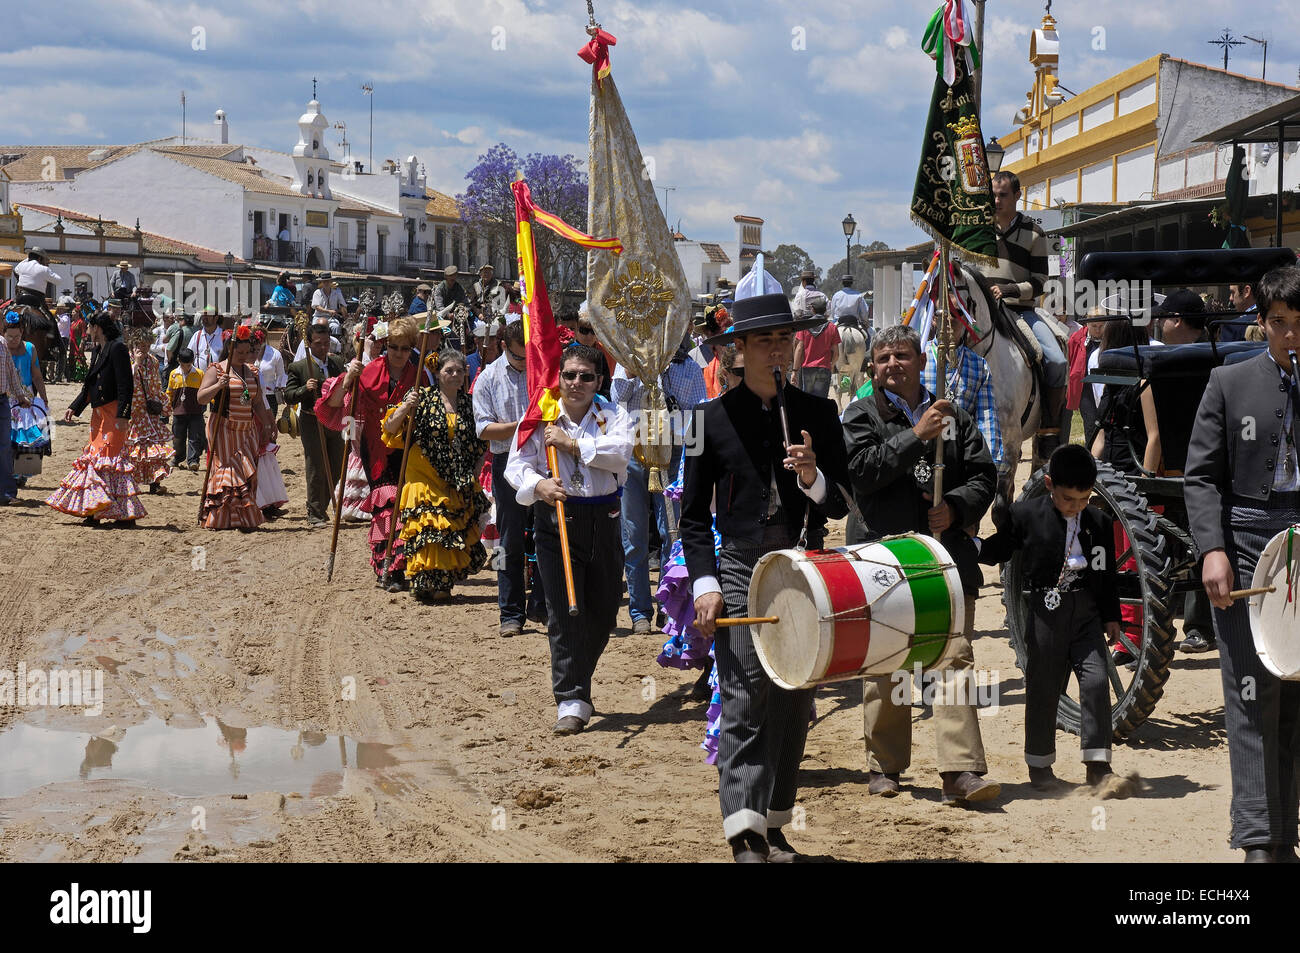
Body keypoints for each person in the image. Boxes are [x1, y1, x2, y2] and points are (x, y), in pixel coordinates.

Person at [683, 292, 850, 862]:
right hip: (738, 564)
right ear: (739, 348)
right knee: (745, 692)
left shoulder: (819, 415)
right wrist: (704, 585)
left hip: (803, 565)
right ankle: (744, 833)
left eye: (785, 338)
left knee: (795, 697)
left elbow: (838, 506)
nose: (778, 349)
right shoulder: (705, 421)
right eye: (765, 340)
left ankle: (774, 823)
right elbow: (692, 520)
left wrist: (813, 477)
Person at [842, 324, 1000, 806]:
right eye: (883, 357)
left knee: (953, 657)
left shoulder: (954, 416)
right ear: (872, 367)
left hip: (944, 559)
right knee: (888, 662)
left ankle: (960, 771)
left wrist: (954, 506)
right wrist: (916, 435)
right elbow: (862, 473)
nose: (892, 365)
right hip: (883, 559)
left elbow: (983, 475)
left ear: (920, 361)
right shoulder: (860, 414)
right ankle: (886, 765)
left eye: (902, 356)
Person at [1186, 263, 1300, 864]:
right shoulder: (1228, 382)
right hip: (1249, 542)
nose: (1291, 336)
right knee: (1252, 692)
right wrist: (1212, 550)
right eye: (1279, 324)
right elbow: (1201, 477)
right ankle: (1259, 841)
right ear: (1261, 324)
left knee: (1296, 697)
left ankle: (1286, 835)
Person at [976, 445, 1126, 791]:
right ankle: (1040, 766)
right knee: (1044, 687)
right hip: (1046, 613)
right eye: (1069, 499)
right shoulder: (1025, 515)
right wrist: (974, 547)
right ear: (1048, 484)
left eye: (1085, 499)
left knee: (1095, 680)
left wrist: (1111, 616)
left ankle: (1098, 765)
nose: (1077, 507)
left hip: (1086, 613)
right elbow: (1002, 548)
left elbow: (1105, 573)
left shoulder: (1099, 522)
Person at [505, 344, 634, 735]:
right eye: (569, 375)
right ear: (558, 378)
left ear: (599, 382)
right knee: (563, 611)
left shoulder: (613, 415)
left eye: (586, 376)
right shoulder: (539, 416)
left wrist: (574, 445)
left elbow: (621, 453)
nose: (576, 383)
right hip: (556, 520)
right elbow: (516, 466)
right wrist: (538, 484)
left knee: (605, 609)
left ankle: (578, 673)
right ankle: (572, 698)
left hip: (604, 519)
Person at [612, 337, 707, 634]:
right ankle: (639, 611)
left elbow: (699, 413)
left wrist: (695, 458)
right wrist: (632, 368)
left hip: (674, 454)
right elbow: (618, 397)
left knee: (672, 532)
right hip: (634, 453)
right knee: (635, 536)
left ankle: (668, 603)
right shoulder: (626, 359)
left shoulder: (689, 367)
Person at [381, 350, 489, 602]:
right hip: (423, 475)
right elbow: (390, 429)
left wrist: (476, 468)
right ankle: (422, 580)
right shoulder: (422, 398)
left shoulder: (470, 404)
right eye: (448, 370)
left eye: (459, 371)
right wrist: (406, 406)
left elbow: (480, 442)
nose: (454, 375)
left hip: (456, 478)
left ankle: (443, 582)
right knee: (426, 529)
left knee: (449, 532)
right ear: (437, 373)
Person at [324, 316, 422, 586]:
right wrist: (348, 379)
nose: (399, 354)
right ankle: (387, 567)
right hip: (376, 448)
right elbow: (335, 403)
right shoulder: (370, 371)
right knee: (386, 504)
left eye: (405, 348)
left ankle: (405, 562)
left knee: (405, 505)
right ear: (385, 346)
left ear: (412, 347)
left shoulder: (419, 374)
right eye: (394, 347)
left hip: (407, 449)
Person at [473, 320, 546, 636]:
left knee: (547, 533)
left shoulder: (540, 372)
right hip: (506, 461)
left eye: (527, 356)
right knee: (509, 538)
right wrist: (522, 426)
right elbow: (484, 429)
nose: (523, 362)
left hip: (543, 460)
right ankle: (510, 612)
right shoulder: (488, 378)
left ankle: (543, 604)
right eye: (518, 357)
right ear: (504, 347)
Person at [986, 171, 1064, 456]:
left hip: (1021, 312)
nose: (996, 200)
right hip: (983, 312)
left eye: (1003, 195)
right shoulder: (977, 232)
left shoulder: (1034, 233)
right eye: (993, 195)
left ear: (1018, 195)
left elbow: (1041, 281)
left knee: (1056, 359)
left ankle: (1049, 427)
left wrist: (1010, 290)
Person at [46, 311, 144, 523]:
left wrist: (123, 415)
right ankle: (95, 509)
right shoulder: (99, 349)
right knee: (96, 460)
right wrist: (75, 406)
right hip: (98, 415)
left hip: (114, 413)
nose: (87, 331)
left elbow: (126, 385)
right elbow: (90, 384)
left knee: (111, 461)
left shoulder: (117, 348)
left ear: (97, 328)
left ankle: (124, 515)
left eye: (89, 327)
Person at [195, 325, 273, 530]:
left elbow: (257, 402)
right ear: (230, 350)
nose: (244, 356)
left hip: (247, 429)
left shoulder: (253, 372)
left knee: (248, 472)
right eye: (239, 353)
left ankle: (243, 517)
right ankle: (222, 518)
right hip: (223, 428)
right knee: (230, 471)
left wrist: (266, 424)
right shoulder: (217, 369)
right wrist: (218, 385)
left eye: (247, 352)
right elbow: (201, 397)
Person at [921, 323, 1004, 476]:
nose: (949, 319)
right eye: (944, 312)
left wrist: (989, 466)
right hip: (921, 457)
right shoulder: (917, 359)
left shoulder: (980, 365)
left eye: (956, 312)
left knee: (1052, 360)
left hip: (1014, 312)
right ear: (933, 317)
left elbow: (986, 419)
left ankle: (1048, 431)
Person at [285, 324, 346, 528]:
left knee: (337, 466)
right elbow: (288, 394)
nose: (323, 347)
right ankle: (315, 512)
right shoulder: (300, 367)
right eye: (318, 344)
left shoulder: (337, 362)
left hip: (335, 420)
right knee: (316, 465)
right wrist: (305, 388)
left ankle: (326, 504)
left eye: (326, 343)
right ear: (309, 344)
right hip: (312, 420)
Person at [124, 330, 172, 494]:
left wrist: (161, 402)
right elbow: (125, 384)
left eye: (147, 346)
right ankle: (130, 481)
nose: (144, 349)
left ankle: (155, 483)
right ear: (133, 345)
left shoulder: (152, 362)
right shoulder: (126, 359)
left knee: (154, 447)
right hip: (131, 412)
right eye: (141, 345)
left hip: (148, 412)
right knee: (132, 449)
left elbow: (156, 385)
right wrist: (135, 364)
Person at [0, 312, 35, 503]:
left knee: (4, 446)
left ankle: (6, 493)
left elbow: (12, 374)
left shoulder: (2, 344)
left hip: (2, 400)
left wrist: (21, 396)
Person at [791, 297, 839, 398]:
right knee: (821, 402)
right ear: (825, 310)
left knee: (808, 401)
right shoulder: (832, 327)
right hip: (824, 368)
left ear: (812, 309)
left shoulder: (804, 326)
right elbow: (836, 353)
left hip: (807, 368)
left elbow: (799, 349)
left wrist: (794, 371)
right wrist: (831, 365)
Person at [167, 347, 206, 470]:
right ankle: (178, 457)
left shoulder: (200, 374)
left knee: (195, 437)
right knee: (178, 436)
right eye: (184, 365)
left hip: (196, 411)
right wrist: (167, 406)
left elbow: (204, 391)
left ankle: (193, 461)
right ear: (179, 361)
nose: (186, 367)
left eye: (189, 365)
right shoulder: (174, 374)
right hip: (179, 411)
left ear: (193, 361)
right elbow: (170, 392)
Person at [13, 248, 62, 314]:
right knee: (51, 322)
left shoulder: (22, 266)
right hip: (37, 301)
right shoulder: (44, 269)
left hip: (20, 298)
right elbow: (59, 281)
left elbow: (15, 269)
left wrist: (28, 259)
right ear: (39, 258)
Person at [187, 305, 225, 371]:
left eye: (208, 315)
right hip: (198, 378)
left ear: (216, 318)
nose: (204, 318)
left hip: (218, 378)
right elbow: (188, 355)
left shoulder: (223, 335)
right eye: (203, 315)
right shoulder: (197, 335)